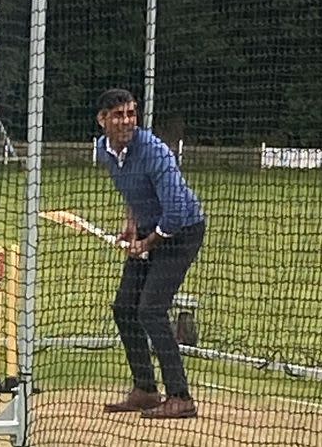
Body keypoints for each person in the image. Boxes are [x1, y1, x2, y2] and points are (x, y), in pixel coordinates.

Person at [94, 88, 206, 419]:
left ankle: (180, 397)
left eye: (131, 113)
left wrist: (146, 243)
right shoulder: (105, 150)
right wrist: (132, 225)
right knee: (125, 308)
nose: (127, 120)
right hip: (149, 228)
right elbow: (130, 190)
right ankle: (145, 390)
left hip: (182, 232)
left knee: (151, 310)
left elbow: (173, 216)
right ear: (103, 120)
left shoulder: (156, 153)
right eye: (118, 115)